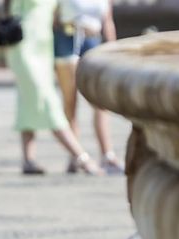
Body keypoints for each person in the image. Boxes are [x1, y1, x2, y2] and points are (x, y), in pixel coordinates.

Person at [4, 0, 102, 175]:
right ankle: (82, 157)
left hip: (44, 47)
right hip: (23, 45)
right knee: (47, 100)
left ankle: (28, 160)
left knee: (27, 100)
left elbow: (66, 13)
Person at [54, 0, 124, 174]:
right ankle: (75, 155)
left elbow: (107, 20)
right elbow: (53, 17)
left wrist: (113, 49)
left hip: (93, 40)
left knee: (100, 102)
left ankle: (107, 155)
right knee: (70, 100)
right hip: (68, 39)